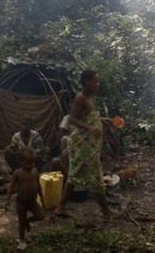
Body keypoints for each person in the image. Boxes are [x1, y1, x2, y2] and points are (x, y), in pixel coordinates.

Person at [53, 70, 118, 219]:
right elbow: (71, 119)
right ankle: (106, 211)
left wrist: (104, 120)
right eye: (95, 81)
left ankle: (60, 208)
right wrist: (89, 128)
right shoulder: (80, 98)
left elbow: (88, 118)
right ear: (86, 82)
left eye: (97, 81)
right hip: (83, 145)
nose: (97, 84)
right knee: (95, 175)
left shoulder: (90, 99)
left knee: (74, 175)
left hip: (89, 145)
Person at [5, 147, 45, 251]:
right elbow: (11, 186)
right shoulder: (17, 173)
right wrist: (8, 200)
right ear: (21, 162)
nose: (31, 165)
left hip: (32, 202)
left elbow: (39, 185)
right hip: (21, 202)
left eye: (33, 163)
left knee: (41, 216)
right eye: (28, 163)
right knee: (21, 223)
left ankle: (27, 221)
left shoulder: (35, 171)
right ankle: (22, 240)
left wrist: (42, 197)